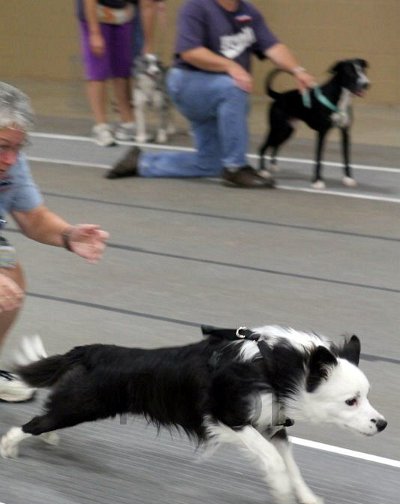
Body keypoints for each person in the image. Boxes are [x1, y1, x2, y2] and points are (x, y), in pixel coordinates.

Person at [106, 0, 315, 188]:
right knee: (234, 88)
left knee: (210, 163)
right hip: (188, 83)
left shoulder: (249, 12)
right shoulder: (196, 7)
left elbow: (273, 47)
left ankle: (142, 162)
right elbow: (190, 52)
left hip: (215, 92)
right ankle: (236, 168)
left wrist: (297, 70)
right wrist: (229, 66)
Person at [0, 82, 109, 401]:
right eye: (3, 146)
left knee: (9, 277)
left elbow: (33, 217)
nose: (11, 158)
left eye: (17, 148)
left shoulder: (11, 162)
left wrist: (68, 235)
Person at [76, 0, 136, 146]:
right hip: (96, 15)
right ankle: (101, 125)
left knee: (122, 70)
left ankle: (127, 122)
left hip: (121, 15)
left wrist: (130, 8)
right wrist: (94, 32)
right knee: (97, 71)